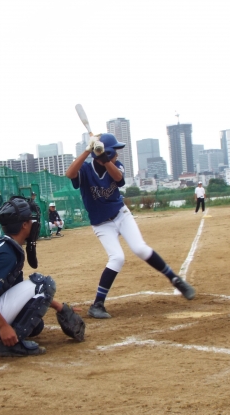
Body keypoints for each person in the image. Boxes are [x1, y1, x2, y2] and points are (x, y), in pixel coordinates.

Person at [64, 133, 196, 319]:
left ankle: (176, 280)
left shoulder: (116, 165)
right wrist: (87, 150)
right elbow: (70, 174)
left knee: (140, 248)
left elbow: (118, 179)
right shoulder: (85, 169)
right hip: (101, 224)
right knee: (117, 258)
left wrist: (105, 158)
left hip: (121, 215)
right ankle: (97, 305)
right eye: (114, 152)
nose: (117, 155)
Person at [0, 196, 85, 356]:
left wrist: (59, 307)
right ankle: (12, 344)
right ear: (24, 225)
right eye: (30, 220)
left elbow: (16, 291)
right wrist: (3, 326)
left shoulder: (5, 245)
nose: (33, 223)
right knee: (44, 284)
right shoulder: (7, 254)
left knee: (36, 325)